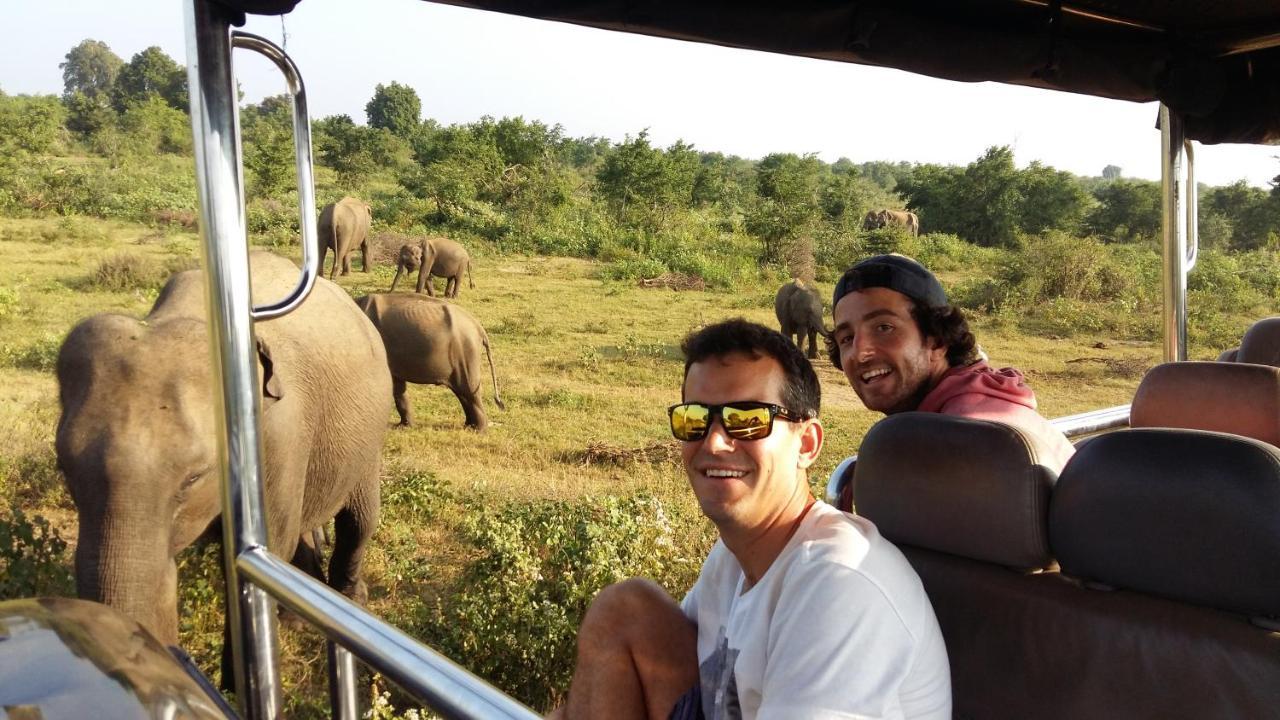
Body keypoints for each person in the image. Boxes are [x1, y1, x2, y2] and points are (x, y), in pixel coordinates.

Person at [551, 319, 951, 720]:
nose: (714, 441)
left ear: (806, 444)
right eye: (694, 420)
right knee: (624, 609)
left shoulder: (839, 585)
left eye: (747, 418)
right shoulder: (731, 558)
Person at [827, 254, 1076, 502]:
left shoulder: (959, 442)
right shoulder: (976, 408)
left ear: (936, 339)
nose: (860, 353)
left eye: (884, 328)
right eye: (846, 338)